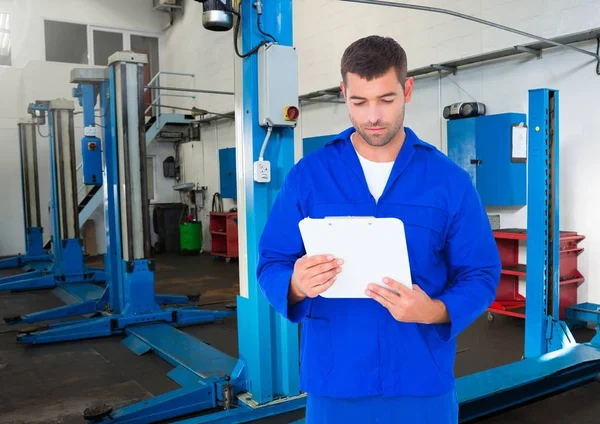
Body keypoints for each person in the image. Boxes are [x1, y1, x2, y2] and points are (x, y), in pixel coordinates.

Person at [256, 35, 501, 424]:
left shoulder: (448, 181)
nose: (372, 116)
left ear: (407, 89)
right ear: (344, 93)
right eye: (359, 102)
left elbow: (481, 273)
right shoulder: (310, 177)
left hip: (421, 380)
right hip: (336, 381)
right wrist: (296, 284)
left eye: (386, 100)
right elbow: (271, 260)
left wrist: (436, 310)